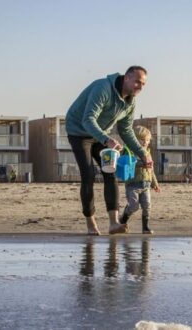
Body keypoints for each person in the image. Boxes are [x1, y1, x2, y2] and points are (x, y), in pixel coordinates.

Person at [66, 66, 153, 236]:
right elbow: (87, 119)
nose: (140, 87)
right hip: (79, 132)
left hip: (100, 135)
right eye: (137, 82)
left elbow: (126, 130)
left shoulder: (130, 102)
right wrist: (106, 139)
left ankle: (114, 223)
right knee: (88, 175)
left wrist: (143, 153)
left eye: (143, 84)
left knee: (110, 172)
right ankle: (91, 224)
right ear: (127, 78)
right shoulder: (103, 88)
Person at [119, 126, 160, 234]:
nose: (145, 142)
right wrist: (142, 163)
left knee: (147, 206)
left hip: (146, 185)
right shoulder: (129, 151)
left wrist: (155, 184)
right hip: (132, 184)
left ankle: (145, 227)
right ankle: (122, 220)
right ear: (134, 140)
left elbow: (151, 170)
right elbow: (128, 162)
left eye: (147, 140)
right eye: (142, 140)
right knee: (133, 205)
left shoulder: (148, 153)